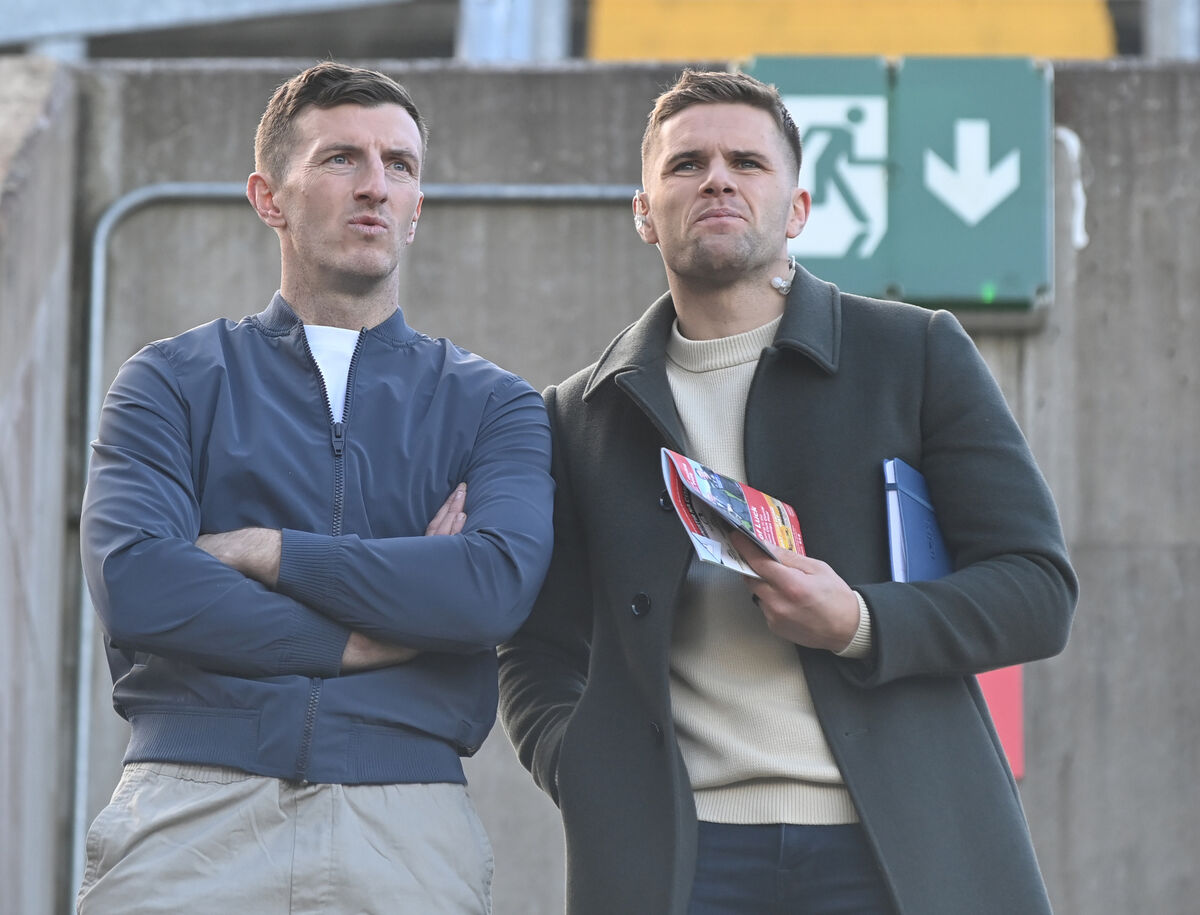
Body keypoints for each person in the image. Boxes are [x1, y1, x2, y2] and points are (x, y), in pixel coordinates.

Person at [498, 69, 1077, 915]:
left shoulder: (912, 354)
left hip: (895, 844)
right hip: (682, 856)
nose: (718, 178)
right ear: (642, 210)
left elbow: (1038, 587)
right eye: (687, 163)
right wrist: (582, 768)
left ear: (797, 209)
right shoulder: (581, 413)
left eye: (747, 162)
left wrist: (861, 622)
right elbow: (536, 648)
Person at [78, 61, 554, 914]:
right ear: (270, 198)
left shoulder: (495, 404)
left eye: (399, 166)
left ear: (418, 209)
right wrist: (368, 635)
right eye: (341, 159)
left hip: (406, 825)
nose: (375, 186)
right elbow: (141, 585)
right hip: (190, 811)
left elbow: (489, 590)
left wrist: (267, 551)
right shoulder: (170, 381)